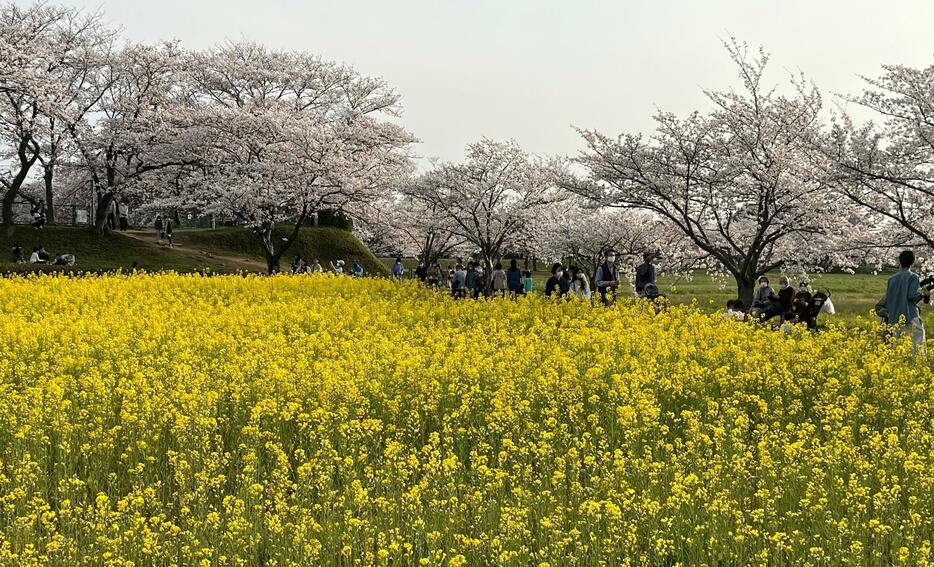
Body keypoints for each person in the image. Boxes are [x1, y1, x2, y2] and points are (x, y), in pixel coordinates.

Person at [885, 250, 930, 357]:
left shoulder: (891, 279)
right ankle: (916, 366)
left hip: (894, 316)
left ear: (900, 261)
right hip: (910, 315)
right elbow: (911, 296)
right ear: (913, 262)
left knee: (898, 344)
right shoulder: (913, 277)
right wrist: (923, 294)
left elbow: (888, 299)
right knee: (917, 342)